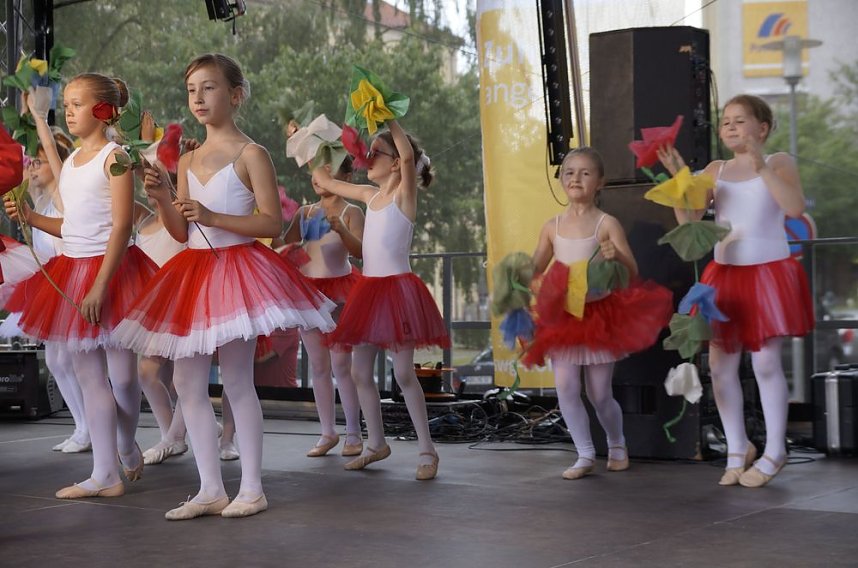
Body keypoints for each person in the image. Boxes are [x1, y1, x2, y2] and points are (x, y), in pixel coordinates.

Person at [113, 53, 336, 520]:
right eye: (192, 88)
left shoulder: (252, 154)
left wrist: (213, 216)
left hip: (237, 273)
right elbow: (180, 230)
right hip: (193, 272)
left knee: (235, 380)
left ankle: (252, 488)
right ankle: (210, 487)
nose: (198, 96)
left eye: (209, 87)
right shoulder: (188, 158)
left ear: (235, 95)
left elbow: (272, 223)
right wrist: (160, 197)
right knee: (185, 379)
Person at [4, 74, 158, 498]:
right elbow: (72, 225)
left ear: (104, 110)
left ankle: (126, 445)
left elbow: (122, 225)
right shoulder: (70, 164)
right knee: (91, 378)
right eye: (66, 104)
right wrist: (31, 218)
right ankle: (104, 473)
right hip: (73, 273)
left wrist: (101, 286)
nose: (68, 111)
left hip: (114, 274)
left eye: (76, 103)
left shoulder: (117, 157)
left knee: (124, 380)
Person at [657, 94, 813, 488]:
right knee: (720, 368)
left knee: (764, 364)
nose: (730, 126)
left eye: (740, 120)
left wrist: (761, 164)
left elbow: (794, 208)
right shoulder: (716, 168)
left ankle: (776, 450)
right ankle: (737, 447)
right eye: (725, 120)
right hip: (725, 276)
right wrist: (680, 183)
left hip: (768, 275)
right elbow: (690, 220)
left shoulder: (778, 162)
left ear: (762, 128)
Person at [522, 147, 673, 480]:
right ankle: (584, 453)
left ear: (600, 182)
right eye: (570, 172)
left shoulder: (607, 224)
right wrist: (523, 285)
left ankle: (617, 443)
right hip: (564, 316)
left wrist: (614, 255)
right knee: (564, 386)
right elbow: (536, 267)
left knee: (600, 392)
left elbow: (631, 272)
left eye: (585, 173)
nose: (576, 178)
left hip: (599, 314)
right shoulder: (552, 226)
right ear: (561, 179)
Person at [312, 120, 449, 480]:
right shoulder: (368, 197)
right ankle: (376, 442)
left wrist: (389, 118)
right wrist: (307, 139)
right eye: (367, 151)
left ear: (393, 164)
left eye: (375, 153)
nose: (366, 158)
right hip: (369, 292)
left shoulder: (404, 194)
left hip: (397, 292)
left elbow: (407, 155)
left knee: (404, 373)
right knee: (359, 372)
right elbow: (325, 181)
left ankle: (426, 449)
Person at [0, 133, 91, 454]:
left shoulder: (62, 199)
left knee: (80, 362)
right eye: (32, 162)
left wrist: (39, 120)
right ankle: (83, 426)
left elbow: (53, 155)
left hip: (73, 287)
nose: (34, 167)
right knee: (56, 360)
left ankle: (91, 427)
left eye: (40, 162)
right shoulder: (38, 203)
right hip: (52, 289)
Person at [282, 156, 364, 458]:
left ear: (346, 176)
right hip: (309, 293)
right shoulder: (306, 212)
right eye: (317, 171)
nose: (319, 176)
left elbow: (361, 250)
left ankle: (353, 432)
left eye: (328, 170)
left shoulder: (351, 211)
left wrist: (342, 229)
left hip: (340, 292)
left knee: (342, 364)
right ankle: (328, 431)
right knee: (318, 365)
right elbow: (283, 246)